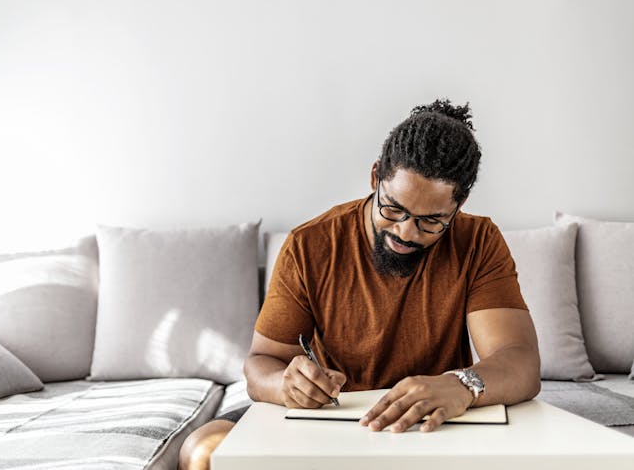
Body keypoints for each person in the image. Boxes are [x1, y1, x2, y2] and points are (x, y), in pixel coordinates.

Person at [178, 98, 541, 470]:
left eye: (431, 221)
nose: (405, 232)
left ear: (458, 205)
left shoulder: (477, 240)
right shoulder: (310, 244)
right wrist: (285, 385)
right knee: (204, 449)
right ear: (374, 178)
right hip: (331, 424)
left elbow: (521, 361)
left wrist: (462, 385)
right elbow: (261, 363)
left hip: (433, 427)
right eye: (393, 208)